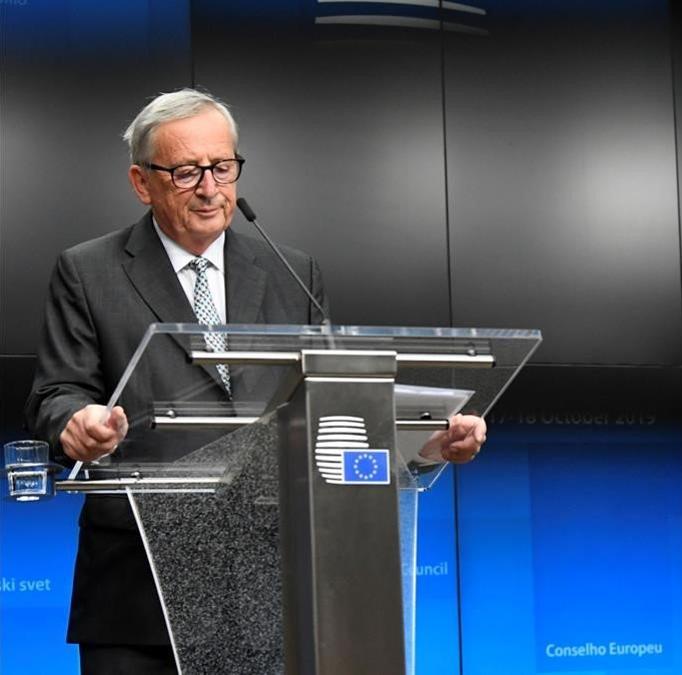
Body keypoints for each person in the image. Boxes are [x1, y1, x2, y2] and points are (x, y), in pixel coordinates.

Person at [24, 88, 486, 674]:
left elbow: (330, 408)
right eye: (187, 172)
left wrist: (423, 444)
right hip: (138, 590)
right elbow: (53, 394)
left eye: (222, 167)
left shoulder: (291, 271)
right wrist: (77, 424)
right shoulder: (88, 271)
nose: (211, 189)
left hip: (272, 586)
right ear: (142, 182)